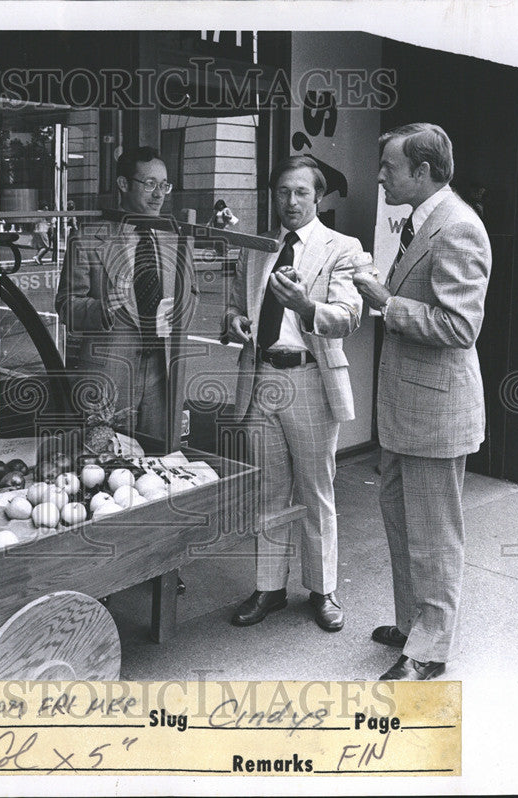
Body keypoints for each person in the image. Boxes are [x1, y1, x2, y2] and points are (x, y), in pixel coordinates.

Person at [353, 122, 491, 681]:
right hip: (409, 409)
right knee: (402, 524)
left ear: (423, 172)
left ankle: (429, 652)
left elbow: (461, 327)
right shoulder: (422, 221)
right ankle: (414, 624)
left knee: (434, 536)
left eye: (389, 166)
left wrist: (386, 303)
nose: (381, 174)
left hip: (436, 413)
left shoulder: (459, 228)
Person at [224, 155, 363, 631]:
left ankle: (323, 590)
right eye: (283, 192)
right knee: (269, 489)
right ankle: (269, 588)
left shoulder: (341, 247)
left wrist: (308, 306)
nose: (291, 201)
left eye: (301, 192)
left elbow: (350, 314)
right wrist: (233, 322)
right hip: (261, 376)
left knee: (315, 488)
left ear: (318, 196)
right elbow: (235, 307)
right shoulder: (260, 247)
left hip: (308, 378)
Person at [55, 145, 195, 441]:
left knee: (159, 465)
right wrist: (103, 307)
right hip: (109, 373)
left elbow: (191, 293)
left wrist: (179, 312)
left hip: (162, 372)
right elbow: (66, 306)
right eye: (149, 184)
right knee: (103, 463)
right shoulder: (88, 239)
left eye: (164, 186)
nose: (158, 194)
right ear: (122, 184)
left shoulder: (174, 238)